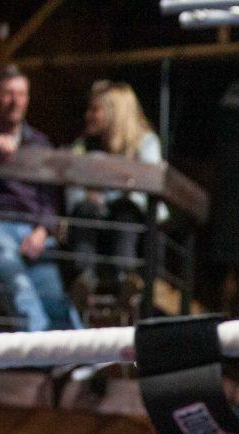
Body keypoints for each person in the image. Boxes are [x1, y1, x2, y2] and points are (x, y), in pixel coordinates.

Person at [0, 64, 78, 332]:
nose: (15, 101)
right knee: (16, 279)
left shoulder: (40, 143)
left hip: (30, 229)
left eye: (21, 94)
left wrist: (43, 231)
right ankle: (42, 348)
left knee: (53, 292)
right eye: (8, 93)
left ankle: (78, 356)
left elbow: (49, 199)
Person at [65, 80, 165, 307]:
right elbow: (73, 192)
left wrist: (107, 196)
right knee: (85, 207)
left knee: (125, 208)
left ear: (114, 113)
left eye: (95, 110)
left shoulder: (146, 143)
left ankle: (127, 278)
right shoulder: (83, 146)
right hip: (95, 227)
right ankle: (84, 279)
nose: (88, 116)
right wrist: (89, 199)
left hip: (134, 229)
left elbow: (147, 191)